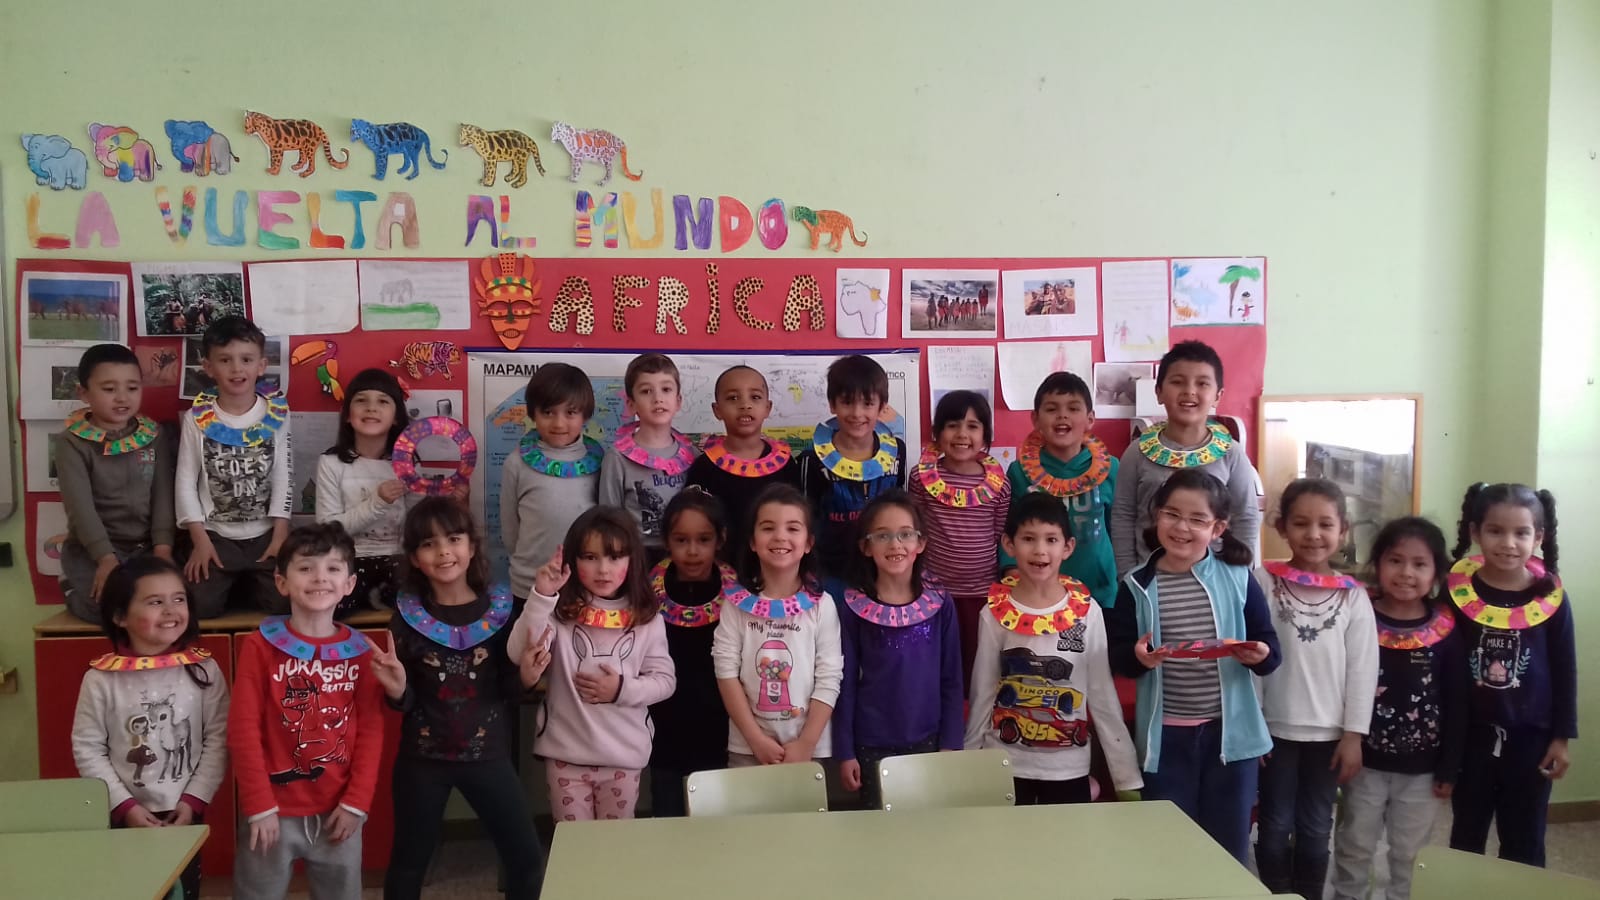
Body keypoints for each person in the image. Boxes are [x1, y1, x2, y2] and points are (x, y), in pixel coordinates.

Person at [1106, 469, 1281, 863]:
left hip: (1230, 740)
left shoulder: (1238, 578)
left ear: (1218, 528)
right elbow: (1119, 656)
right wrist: (1137, 658)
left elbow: (1270, 647)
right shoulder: (1135, 585)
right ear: (1156, 516)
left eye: (1197, 519)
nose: (1182, 527)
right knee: (1170, 851)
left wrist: (1261, 655)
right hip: (1165, 739)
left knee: (1228, 850)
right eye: (1172, 514)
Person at [377, 497, 546, 899]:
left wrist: (526, 677)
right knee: (408, 864)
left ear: (471, 546)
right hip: (423, 761)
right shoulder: (407, 618)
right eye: (428, 544)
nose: (443, 552)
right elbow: (405, 699)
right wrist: (397, 689)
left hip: (488, 756)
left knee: (526, 860)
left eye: (453, 539)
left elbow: (507, 688)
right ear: (415, 558)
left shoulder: (502, 611)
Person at [228, 523, 383, 900]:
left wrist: (357, 803)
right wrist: (259, 805)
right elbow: (243, 731)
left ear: (349, 583)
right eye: (306, 567)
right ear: (281, 582)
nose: (320, 577)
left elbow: (371, 733)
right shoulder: (259, 647)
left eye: (333, 568)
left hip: (339, 810)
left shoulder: (362, 652)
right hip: (271, 810)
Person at [965, 492, 1141, 804]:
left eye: (1051, 539)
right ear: (1009, 545)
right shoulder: (993, 613)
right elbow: (983, 691)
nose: (1040, 550)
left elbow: (1101, 694)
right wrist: (969, 759)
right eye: (1028, 539)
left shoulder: (1088, 612)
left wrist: (1125, 775)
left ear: (1068, 547)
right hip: (1004, 763)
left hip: (1067, 768)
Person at [71, 555, 228, 900]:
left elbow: (218, 739)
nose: (171, 610)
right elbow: (87, 748)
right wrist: (125, 807)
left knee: (183, 890)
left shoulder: (205, 670)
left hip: (185, 811)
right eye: (155, 602)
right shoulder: (100, 680)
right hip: (123, 812)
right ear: (120, 616)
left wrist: (194, 799)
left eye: (179, 599)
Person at [1255, 479, 1379, 897]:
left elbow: (1363, 670)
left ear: (1343, 531)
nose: (1313, 534)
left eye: (1325, 524)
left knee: (1315, 827)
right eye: (1301, 523)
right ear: (1282, 527)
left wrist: (1353, 735)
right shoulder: (1263, 582)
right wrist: (1253, 726)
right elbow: (1250, 660)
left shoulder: (1354, 597)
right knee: (1273, 824)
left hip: (1329, 737)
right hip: (1273, 731)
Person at [510, 507, 675, 821]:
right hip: (566, 756)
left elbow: (665, 681)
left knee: (615, 845)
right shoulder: (559, 610)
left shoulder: (646, 617)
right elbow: (518, 652)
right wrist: (542, 596)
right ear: (573, 560)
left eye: (615, 557)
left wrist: (621, 689)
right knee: (574, 844)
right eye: (590, 557)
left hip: (623, 756)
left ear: (632, 560)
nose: (603, 569)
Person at [1332, 517, 1466, 900]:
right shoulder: (1357, 615)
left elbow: (1458, 702)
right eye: (1395, 560)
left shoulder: (1446, 630)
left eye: (1420, 564)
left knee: (1410, 854)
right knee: (1355, 844)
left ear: (1436, 573)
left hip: (1423, 771)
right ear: (1378, 563)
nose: (1406, 573)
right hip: (1363, 763)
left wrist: (1449, 767)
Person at [1446, 483, 1575, 868]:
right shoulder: (1455, 594)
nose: (1508, 543)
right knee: (1466, 835)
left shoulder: (1550, 597)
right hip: (1472, 738)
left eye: (1521, 533)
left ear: (1538, 537)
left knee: (1525, 841)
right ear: (1475, 532)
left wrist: (1561, 738)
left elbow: (1565, 668)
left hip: (1532, 741)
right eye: (1495, 531)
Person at [833, 491, 963, 807]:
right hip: (871, 743)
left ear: (921, 543)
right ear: (866, 546)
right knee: (878, 829)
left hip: (930, 740)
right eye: (883, 535)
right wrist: (845, 751)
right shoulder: (852, 607)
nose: (895, 544)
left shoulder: (940, 603)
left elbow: (952, 679)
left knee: (928, 825)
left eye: (905, 534)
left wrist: (951, 743)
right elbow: (844, 683)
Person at [713, 484, 843, 767]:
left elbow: (830, 676)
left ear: (808, 543)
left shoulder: (822, 605)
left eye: (793, 528)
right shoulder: (736, 604)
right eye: (768, 528)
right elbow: (725, 672)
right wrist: (755, 739)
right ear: (752, 541)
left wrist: (806, 743)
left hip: (808, 748)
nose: (780, 536)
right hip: (748, 746)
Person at [1110, 340, 1261, 576]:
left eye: (1202, 383)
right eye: (1177, 382)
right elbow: (1123, 516)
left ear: (1217, 396)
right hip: (1150, 577)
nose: (1190, 391)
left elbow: (1246, 516)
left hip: (1216, 577)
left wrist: (1240, 576)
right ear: (1159, 392)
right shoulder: (1136, 452)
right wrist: (1127, 575)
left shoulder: (1231, 453)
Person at [177, 316, 293, 617]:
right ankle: (232, 579)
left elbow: (283, 475)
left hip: (265, 534)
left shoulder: (276, 414)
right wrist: (199, 540)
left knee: (284, 603)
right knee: (200, 606)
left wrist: (280, 535)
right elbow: (185, 482)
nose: (237, 369)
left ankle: (245, 580)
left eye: (246, 359)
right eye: (225, 360)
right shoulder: (195, 419)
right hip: (216, 535)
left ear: (261, 365)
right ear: (208, 367)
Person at [56, 343, 177, 622]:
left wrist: (163, 549)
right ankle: (72, 587)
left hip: (146, 547)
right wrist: (105, 557)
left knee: (164, 603)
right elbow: (80, 508)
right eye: (109, 389)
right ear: (83, 393)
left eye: (132, 388)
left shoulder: (153, 435)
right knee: (108, 610)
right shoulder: (71, 443)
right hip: (95, 549)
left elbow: (163, 495)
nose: (122, 397)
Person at [645, 489, 738, 816]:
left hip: (718, 729)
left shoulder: (738, 596)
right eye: (681, 540)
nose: (693, 551)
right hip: (664, 732)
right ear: (666, 541)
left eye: (704, 539)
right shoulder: (646, 594)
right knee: (667, 816)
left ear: (720, 539)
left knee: (715, 822)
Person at [908, 390, 1009, 689]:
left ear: (985, 435)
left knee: (976, 665)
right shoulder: (920, 478)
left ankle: (972, 714)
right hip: (933, 590)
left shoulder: (1000, 484)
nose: (962, 434)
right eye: (952, 425)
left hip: (982, 591)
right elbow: (916, 529)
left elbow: (999, 534)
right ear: (937, 433)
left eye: (973, 426)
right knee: (938, 662)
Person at [1001, 372, 1118, 608]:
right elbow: (1009, 525)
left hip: (1099, 593)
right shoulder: (1019, 472)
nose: (1062, 415)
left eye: (1073, 408)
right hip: (1039, 592)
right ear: (1035, 419)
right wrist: (1010, 568)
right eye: (1052, 409)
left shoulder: (1111, 468)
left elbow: (1118, 527)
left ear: (1090, 418)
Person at [315, 368, 415, 615]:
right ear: (348, 416)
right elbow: (328, 530)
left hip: (397, 560)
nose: (371, 408)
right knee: (330, 607)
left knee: (413, 606)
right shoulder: (331, 463)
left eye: (383, 401)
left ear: (396, 417)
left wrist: (453, 498)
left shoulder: (407, 464)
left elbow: (417, 521)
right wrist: (377, 501)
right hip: (346, 561)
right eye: (361, 401)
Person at [501, 362, 600, 604]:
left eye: (570, 413)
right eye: (548, 412)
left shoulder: (601, 463)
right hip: (529, 585)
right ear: (532, 413)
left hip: (583, 587)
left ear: (585, 415)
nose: (558, 423)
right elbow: (510, 530)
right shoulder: (516, 463)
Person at [798, 355, 906, 577]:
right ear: (832, 404)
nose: (857, 413)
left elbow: (900, 510)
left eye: (867, 404)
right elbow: (805, 520)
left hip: (883, 569)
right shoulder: (811, 460)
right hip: (830, 570)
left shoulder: (898, 452)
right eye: (847, 402)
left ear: (882, 407)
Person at [685, 365, 802, 559]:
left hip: (775, 563)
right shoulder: (704, 467)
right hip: (720, 565)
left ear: (767, 408)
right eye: (733, 398)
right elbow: (693, 522)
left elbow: (798, 518)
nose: (745, 405)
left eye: (755, 397)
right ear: (717, 410)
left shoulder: (785, 464)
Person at [600, 353, 693, 556]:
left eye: (666, 389)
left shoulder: (692, 454)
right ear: (631, 404)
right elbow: (609, 520)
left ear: (678, 401)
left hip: (685, 554)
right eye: (646, 391)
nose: (658, 398)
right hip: (637, 555)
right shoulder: (617, 459)